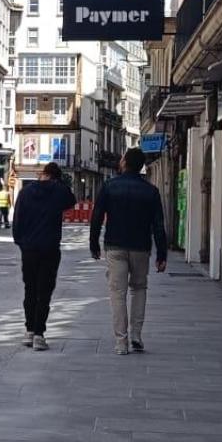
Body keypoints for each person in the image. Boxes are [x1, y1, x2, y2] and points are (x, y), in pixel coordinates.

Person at [89, 149, 170, 355]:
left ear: (124, 163)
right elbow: (159, 225)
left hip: (115, 246)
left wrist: (94, 244)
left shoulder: (109, 187)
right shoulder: (151, 191)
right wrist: (162, 255)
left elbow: (97, 217)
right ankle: (136, 335)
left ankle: (121, 342)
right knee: (139, 289)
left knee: (117, 293)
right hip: (140, 247)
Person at [11, 163, 78, 351]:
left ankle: (29, 330)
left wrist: (20, 242)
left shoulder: (25, 192)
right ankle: (39, 334)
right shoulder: (59, 192)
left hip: (29, 248)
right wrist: (61, 182)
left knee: (30, 289)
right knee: (44, 291)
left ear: (43, 174)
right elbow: (71, 200)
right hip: (49, 248)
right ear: (56, 177)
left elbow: (17, 218)